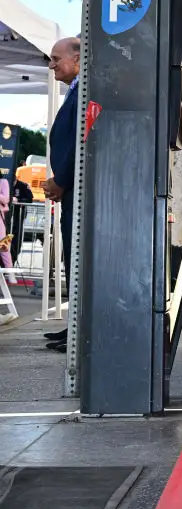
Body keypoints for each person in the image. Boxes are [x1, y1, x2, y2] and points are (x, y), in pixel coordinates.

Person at [41, 37, 81, 353]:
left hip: (76, 191)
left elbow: (80, 143)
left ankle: (78, 331)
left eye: (56, 58)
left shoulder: (84, 91)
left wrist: (62, 181)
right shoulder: (75, 91)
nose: (52, 64)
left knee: (78, 262)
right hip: (71, 191)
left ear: (78, 58)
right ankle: (75, 327)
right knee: (73, 261)